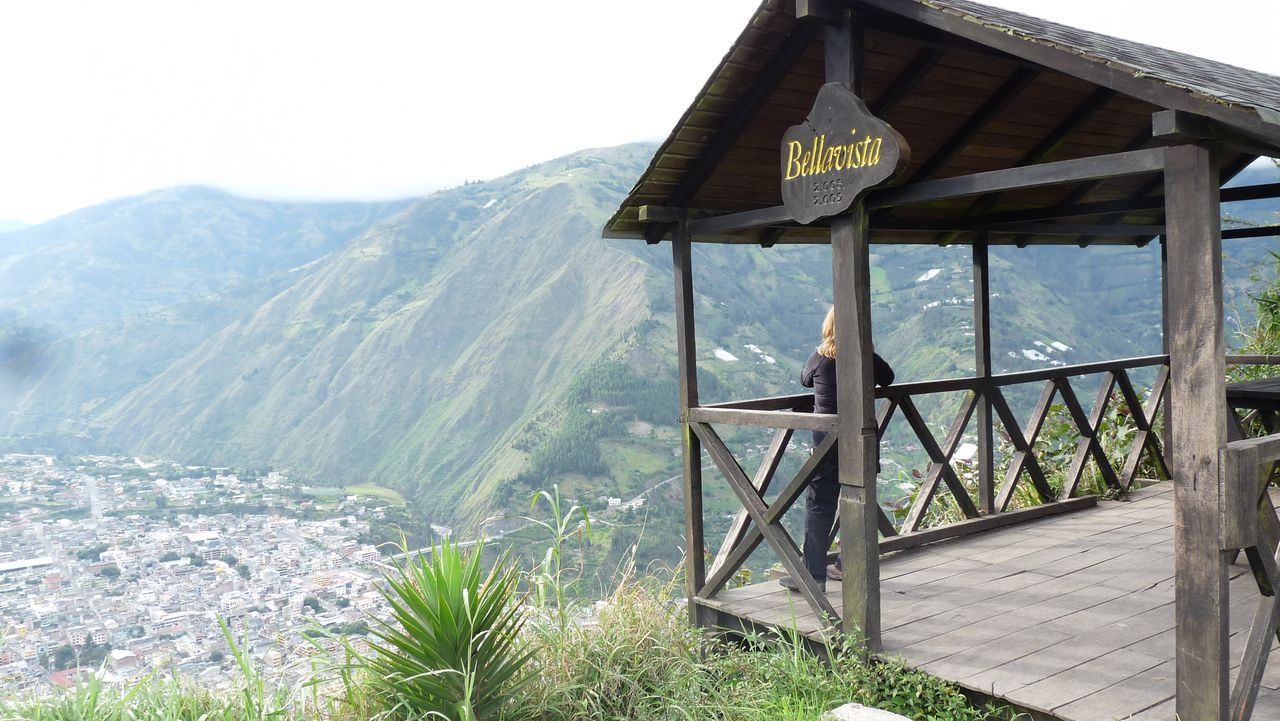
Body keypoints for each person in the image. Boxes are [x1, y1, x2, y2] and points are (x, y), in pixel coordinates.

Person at [779, 306, 893, 593]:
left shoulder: (820, 358)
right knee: (859, 503)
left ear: (828, 326)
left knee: (820, 507)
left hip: (827, 447)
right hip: (863, 442)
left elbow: (804, 379)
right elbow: (889, 377)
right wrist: (866, 351)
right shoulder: (867, 359)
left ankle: (813, 575)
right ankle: (847, 566)